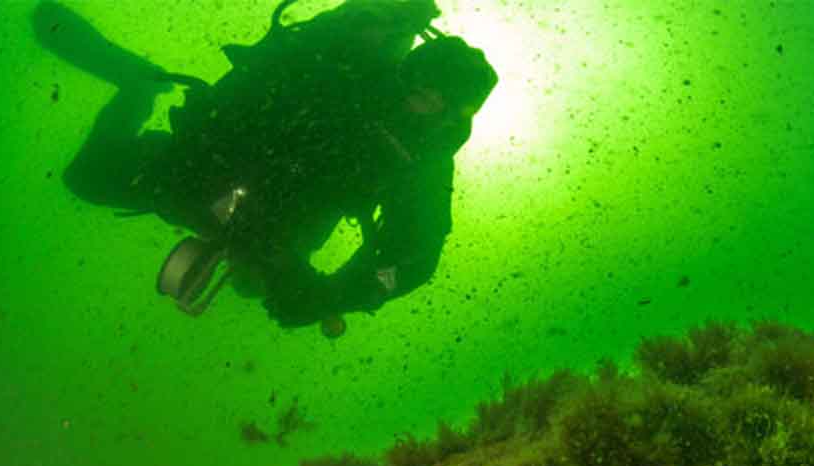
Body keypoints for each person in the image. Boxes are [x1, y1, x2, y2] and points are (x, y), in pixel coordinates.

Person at [34, 0, 497, 337]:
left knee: (253, 288)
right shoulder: (339, 71)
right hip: (202, 166)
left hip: (276, 230)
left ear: (454, 118)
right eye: (417, 87)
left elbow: (414, 256)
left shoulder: (423, 161)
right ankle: (136, 84)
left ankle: (248, 255)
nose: (416, 105)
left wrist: (332, 295)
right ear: (404, 70)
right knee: (85, 177)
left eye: (436, 105)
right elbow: (246, 99)